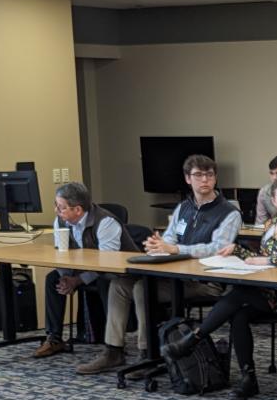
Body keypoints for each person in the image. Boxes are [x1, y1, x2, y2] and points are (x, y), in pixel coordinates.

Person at [76, 155, 241, 374]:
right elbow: (170, 238)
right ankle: (113, 351)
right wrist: (159, 246)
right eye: (198, 175)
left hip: (205, 280)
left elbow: (218, 248)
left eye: (209, 175)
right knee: (119, 285)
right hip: (173, 274)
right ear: (187, 179)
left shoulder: (229, 213)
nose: (205, 180)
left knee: (142, 288)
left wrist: (177, 249)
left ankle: (147, 353)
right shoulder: (184, 208)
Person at [160, 178, 277, 400]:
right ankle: (249, 379)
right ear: (274, 201)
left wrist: (267, 261)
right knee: (238, 314)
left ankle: (194, 339)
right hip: (267, 290)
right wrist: (238, 250)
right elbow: (259, 258)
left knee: (237, 295)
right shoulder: (271, 224)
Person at [33, 182, 139, 358]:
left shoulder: (105, 222)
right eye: (57, 206)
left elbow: (107, 263)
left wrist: (78, 280)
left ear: (78, 210)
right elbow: (62, 253)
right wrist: (66, 278)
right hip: (85, 269)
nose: (57, 211)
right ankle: (54, 338)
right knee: (53, 279)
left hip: (118, 271)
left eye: (61, 208)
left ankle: (114, 343)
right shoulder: (61, 220)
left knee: (108, 280)